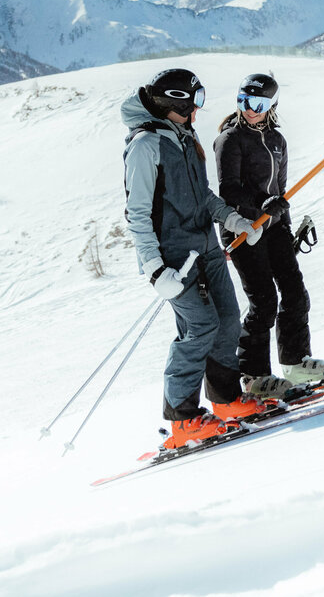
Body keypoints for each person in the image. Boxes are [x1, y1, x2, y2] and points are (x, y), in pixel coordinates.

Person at [121, 67, 274, 449]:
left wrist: (234, 219)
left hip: (206, 247)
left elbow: (203, 195)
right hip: (173, 259)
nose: (198, 109)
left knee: (226, 321)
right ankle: (182, 420)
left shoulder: (185, 136)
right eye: (195, 100)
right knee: (199, 328)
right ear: (175, 102)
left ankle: (225, 402)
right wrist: (156, 271)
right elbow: (137, 213)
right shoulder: (145, 146)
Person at [214, 73, 324, 397]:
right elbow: (229, 189)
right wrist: (262, 206)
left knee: (295, 292)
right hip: (243, 228)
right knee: (264, 301)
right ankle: (255, 376)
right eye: (244, 101)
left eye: (258, 103)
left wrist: (283, 225)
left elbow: (281, 193)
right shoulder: (230, 139)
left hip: (273, 228)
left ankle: (296, 362)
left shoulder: (277, 141)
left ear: (272, 105)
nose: (250, 109)